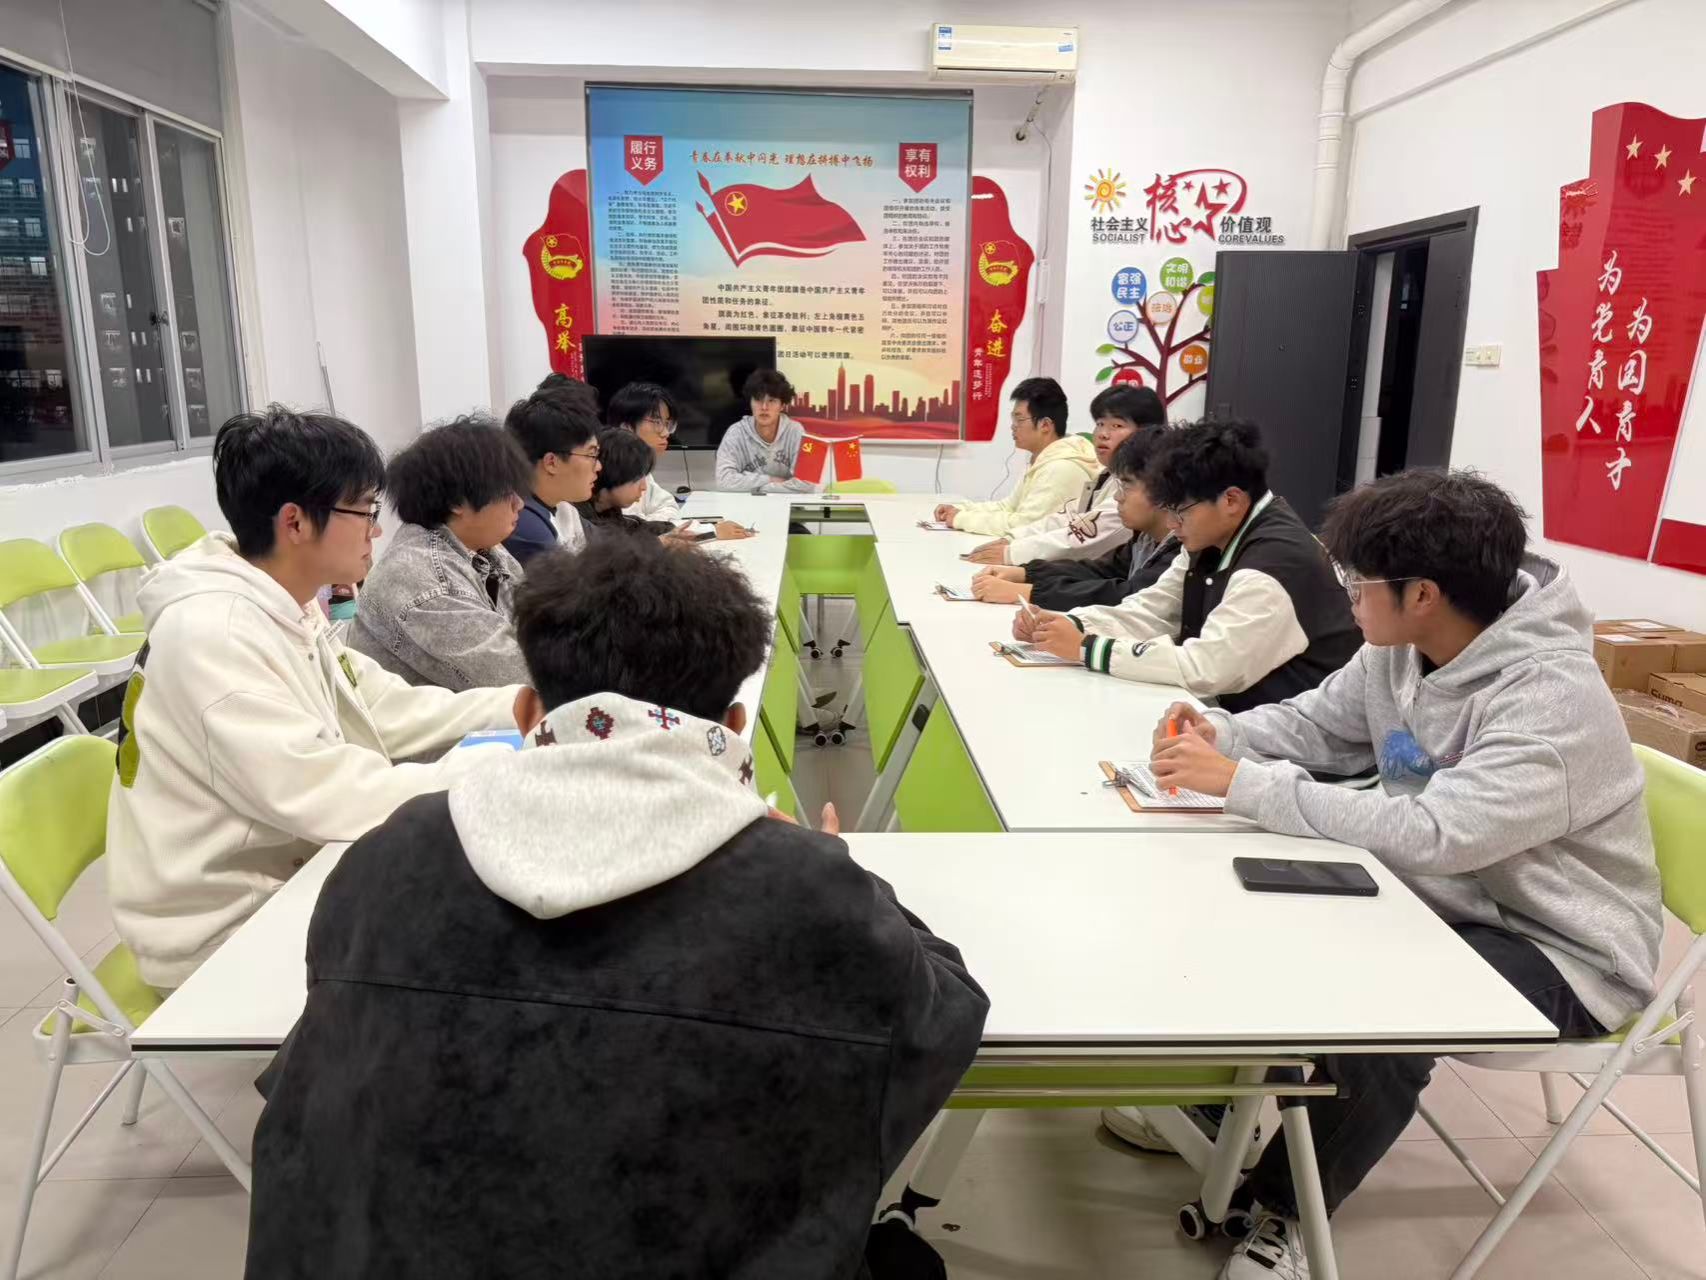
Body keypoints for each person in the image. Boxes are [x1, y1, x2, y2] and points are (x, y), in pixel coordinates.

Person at [245, 537, 989, 1279]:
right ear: (733, 728)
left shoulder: (393, 854)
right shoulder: (806, 888)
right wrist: (835, 865)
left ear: (528, 711)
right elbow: (942, 1021)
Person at [1144, 469, 1663, 1280]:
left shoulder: (1552, 699)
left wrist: (1247, 786)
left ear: (1421, 594)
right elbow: (1322, 724)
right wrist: (1223, 734)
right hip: (1450, 899)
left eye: (1357, 582)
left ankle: (1283, 1212)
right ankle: (1228, 1105)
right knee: (1266, 903)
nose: (1345, 595)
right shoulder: (1404, 648)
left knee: (1389, 1012)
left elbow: (1437, 834)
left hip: (1565, 947)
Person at [105, 406, 521, 989]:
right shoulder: (215, 635)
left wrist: (517, 707)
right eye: (365, 511)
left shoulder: (284, 600)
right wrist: (485, 773)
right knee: (493, 940)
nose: (377, 531)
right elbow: (324, 792)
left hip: (292, 866)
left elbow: (377, 702)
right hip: (228, 926)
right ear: (296, 522)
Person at [1014, 419, 1360, 712]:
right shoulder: (1214, 534)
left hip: (1289, 748)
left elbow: (1208, 667)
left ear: (1231, 500)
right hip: (1233, 720)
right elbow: (1154, 609)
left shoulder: (1274, 565)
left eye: (1179, 510)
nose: (1171, 523)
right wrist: (1069, 624)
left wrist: (1088, 647)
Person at [345, 417, 531, 690]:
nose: (519, 503)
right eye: (506, 493)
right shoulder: (419, 577)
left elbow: (539, 629)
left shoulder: (488, 552)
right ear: (457, 501)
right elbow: (519, 676)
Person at [971, 426, 1179, 610]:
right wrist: (1026, 573)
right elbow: (1101, 569)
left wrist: (1028, 592)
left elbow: (1126, 593)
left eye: (1127, 486)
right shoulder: (1145, 537)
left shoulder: (1181, 550)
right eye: (1100, 423)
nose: (1118, 496)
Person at [965, 384, 1166, 566]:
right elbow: (1066, 518)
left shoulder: (1138, 485)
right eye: (1099, 424)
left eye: (1117, 426)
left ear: (1146, 433)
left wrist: (1012, 553)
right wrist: (1011, 540)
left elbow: (1083, 537)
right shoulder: (1107, 476)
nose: (1102, 434)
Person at [933, 377, 1099, 536]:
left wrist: (961, 519)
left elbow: (1024, 525)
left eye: (1019, 420)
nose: (1013, 427)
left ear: (1045, 425)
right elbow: (1009, 507)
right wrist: (961, 510)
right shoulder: (1045, 458)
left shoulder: (1061, 468)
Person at [584, 423, 751, 543]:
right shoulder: (580, 520)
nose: (644, 487)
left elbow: (643, 527)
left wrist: (711, 530)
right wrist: (662, 543)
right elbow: (616, 554)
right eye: (637, 479)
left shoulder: (609, 512)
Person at [502, 379, 603, 564]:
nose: (598, 466)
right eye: (591, 455)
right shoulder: (523, 522)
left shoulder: (561, 506)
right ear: (551, 462)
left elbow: (607, 546)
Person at [715, 367, 819, 494]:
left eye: (771, 401)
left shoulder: (795, 431)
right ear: (750, 403)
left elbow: (808, 483)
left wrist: (762, 488)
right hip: (747, 503)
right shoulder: (736, 433)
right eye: (758, 400)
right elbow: (723, 480)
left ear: (782, 405)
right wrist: (770, 479)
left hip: (784, 502)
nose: (764, 407)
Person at [605, 380, 685, 520]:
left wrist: (649, 523)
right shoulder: (609, 471)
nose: (666, 433)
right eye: (657, 422)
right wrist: (653, 525)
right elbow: (625, 527)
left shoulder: (640, 466)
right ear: (626, 427)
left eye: (667, 423)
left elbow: (669, 506)